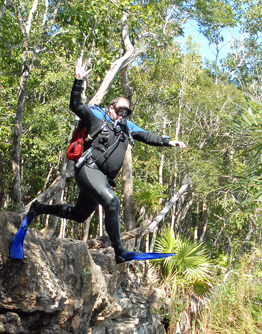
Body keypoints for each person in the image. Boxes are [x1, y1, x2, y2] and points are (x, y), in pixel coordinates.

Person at [27, 61, 186, 263]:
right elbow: (76, 105)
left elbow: (147, 136)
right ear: (111, 108)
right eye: (120, 110)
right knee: (112, 201)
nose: (123, 115)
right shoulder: (97, 117)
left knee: (79, 215)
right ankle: (120, 251)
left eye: (127, 112)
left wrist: (168, 141)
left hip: (102, 178)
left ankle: (38, 208)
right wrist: (78, 81)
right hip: (88, 169)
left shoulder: (126, 128)